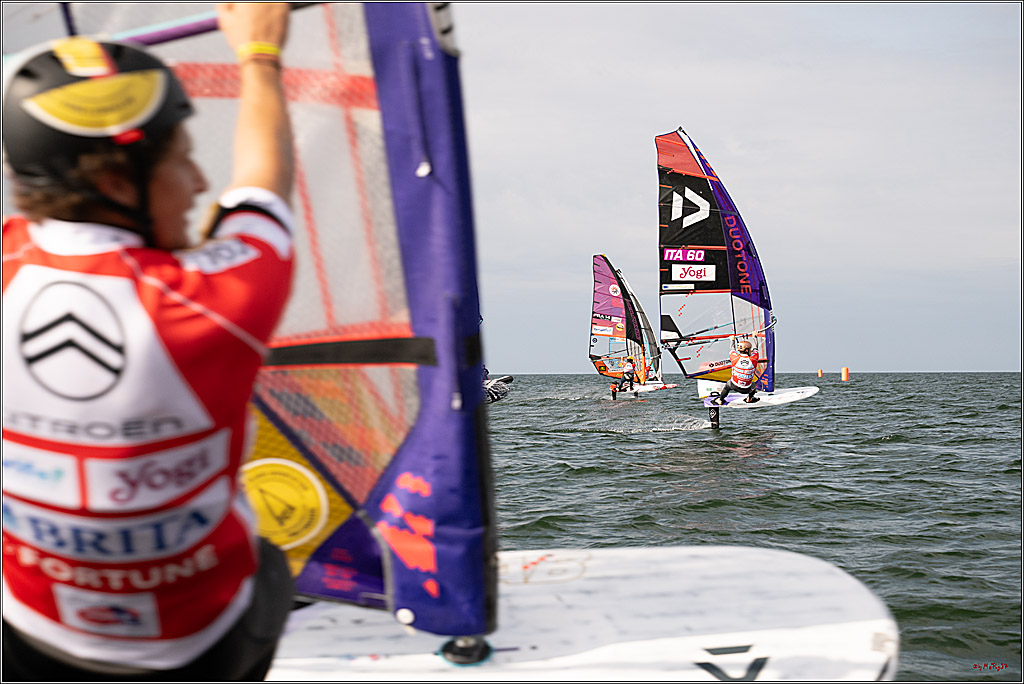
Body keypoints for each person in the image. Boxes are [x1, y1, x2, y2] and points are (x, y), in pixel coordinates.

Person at [2, 4, 297, 680]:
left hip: (31, 634)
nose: (198, 185)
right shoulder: (218, 300)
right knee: (270, 559)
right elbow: (260, 187)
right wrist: (259, 54)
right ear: (114, 184)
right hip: (197, 647)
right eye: (184, 164)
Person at [713, 338, 761, 404]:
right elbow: (756, 349)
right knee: (753, 385)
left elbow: (732, 349)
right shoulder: (754, 359)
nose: (751, 350)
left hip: (734, 385)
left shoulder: (734, 358)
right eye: (750, 349)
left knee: (727, 387)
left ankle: (720, 400)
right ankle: (749, 398)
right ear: (747, 350)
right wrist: (755, 336)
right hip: (747, 388)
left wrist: (732, 340)